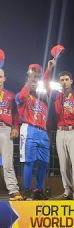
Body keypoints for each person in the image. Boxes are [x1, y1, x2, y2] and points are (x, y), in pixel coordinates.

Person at [16, 60, 55, 200]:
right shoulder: (23, 97)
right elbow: (20, 97)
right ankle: (26, 189)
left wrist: (48, 70)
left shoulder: (43, 101)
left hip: (43, 132)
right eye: (31, 81)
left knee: (44, 163)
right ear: (28, 81)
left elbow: (45, 83)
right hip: (29, 130)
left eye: (35, 81)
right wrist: (30, 80)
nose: (34, 83)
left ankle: (38, 190)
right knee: (29, 162)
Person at [52, 71, 74, 200]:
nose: (64, 82)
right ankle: (68, 190)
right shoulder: (58, 96)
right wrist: (59, 97)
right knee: (63, 163)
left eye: (67, 79)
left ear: (71, 81)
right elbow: (56, 111)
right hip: (61, 131)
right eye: (62, 80)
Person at [0, 68, 22, 200]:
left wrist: (15, 128)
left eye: (1, 77)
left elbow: (16, 114)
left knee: (8, 162)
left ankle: (13, 190)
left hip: (5, 129)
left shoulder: (11, 95)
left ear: (4, 78)